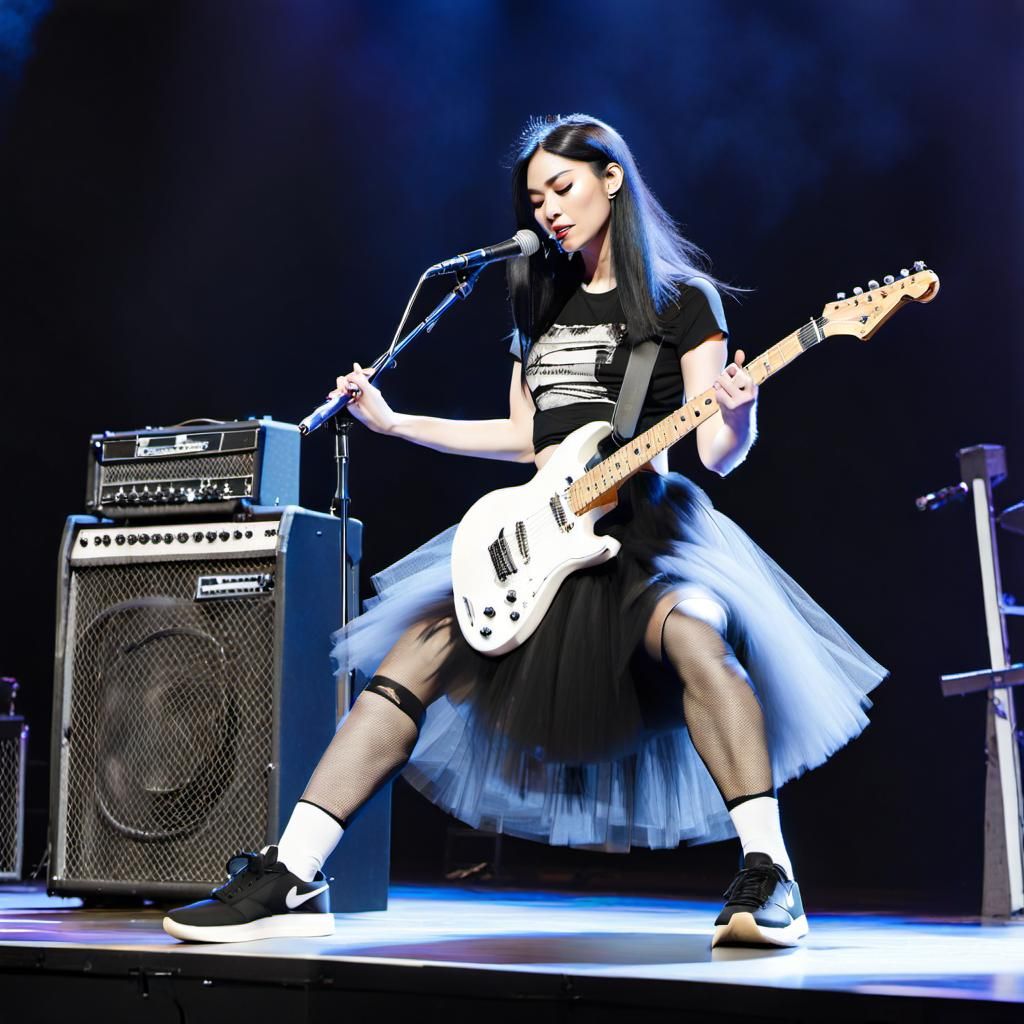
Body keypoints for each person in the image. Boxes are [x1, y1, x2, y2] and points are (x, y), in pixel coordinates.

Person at [164, 114, 886, 948]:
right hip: (543, 527)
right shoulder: (537, 294)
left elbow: (719, 451)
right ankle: (292, 872)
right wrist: (398, 426)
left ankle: (770, 875)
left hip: (646, 526)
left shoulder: (684, 301)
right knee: (413, 660)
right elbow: (524, 437)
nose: (547, 208)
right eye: (536, 196)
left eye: (562, 187)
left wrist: (742, 406)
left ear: (611, 178)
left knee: (695, 635)